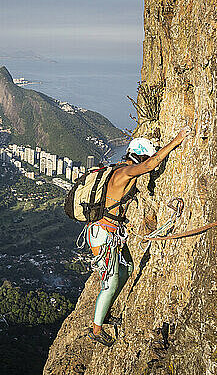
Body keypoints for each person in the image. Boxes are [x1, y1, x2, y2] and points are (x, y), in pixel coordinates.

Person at [87, 127, 190, 347]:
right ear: (139, 156)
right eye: (144, 156)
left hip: (112, 234)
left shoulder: (121, 169)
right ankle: (96, 329)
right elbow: (150, 165)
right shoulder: (123, 172)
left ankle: (104, 313)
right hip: (102, 235)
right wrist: (177, 139)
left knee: (128, 269)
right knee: (110, 282)